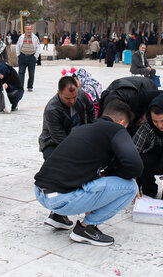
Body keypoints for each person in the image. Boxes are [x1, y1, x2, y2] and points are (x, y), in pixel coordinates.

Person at [34, 100, 143, 246]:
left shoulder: (82, 129)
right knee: (130, 187)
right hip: (61, 199)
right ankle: (86, 228)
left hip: (41, 193)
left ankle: (58, 217)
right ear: (122, 122)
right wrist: (115, 173)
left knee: (84, 173)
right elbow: (135, 166)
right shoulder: (116, 129)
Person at [37, 76, 96, 229]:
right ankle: (58, 213)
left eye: (74, 97)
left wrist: (90, 131)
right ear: (58, 93)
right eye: (67, 98)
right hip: (53, 143)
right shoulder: (52, 109)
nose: (72, 101)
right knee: (60, 172)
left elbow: (91, 110)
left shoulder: (81, 95)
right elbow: (60, 139)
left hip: (78, 138)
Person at [16, 24, 41, 92]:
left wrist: (35, 56)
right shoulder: (21, 37)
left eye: (30, 29)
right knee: (21, 73)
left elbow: (38, 47)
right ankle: (20, 87)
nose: (29, 31)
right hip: (22, 57)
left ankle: (30, 86)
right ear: (25, 30)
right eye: (28, 29)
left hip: (31, 57)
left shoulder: (35, 38)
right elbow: (18, 46)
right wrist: (18, 55)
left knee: (31, 73)